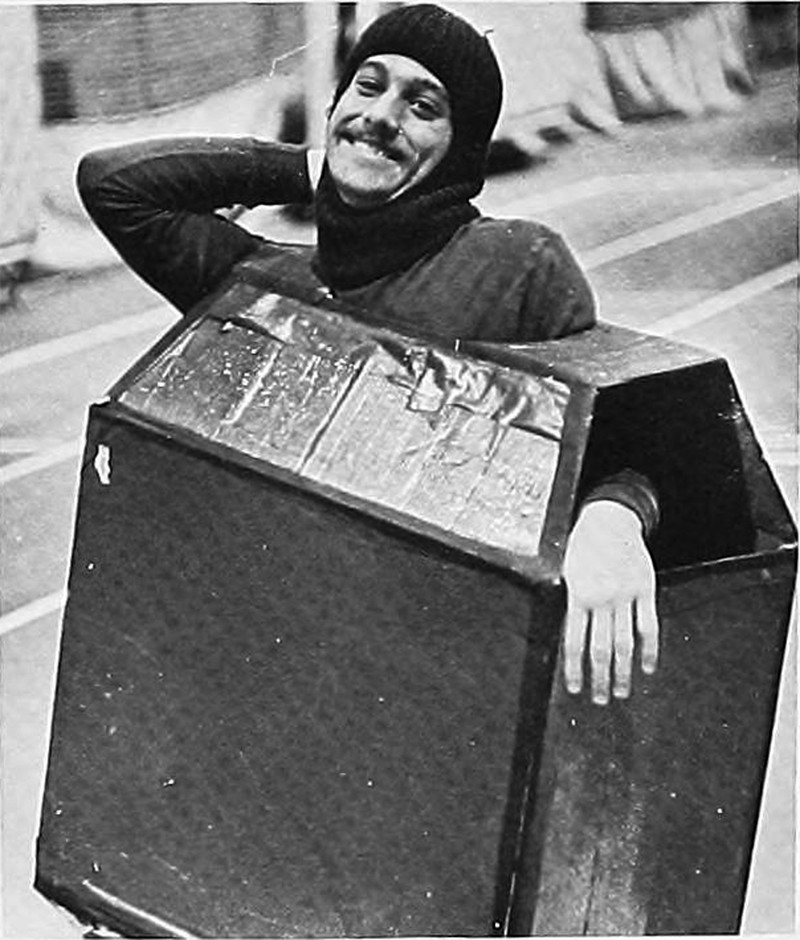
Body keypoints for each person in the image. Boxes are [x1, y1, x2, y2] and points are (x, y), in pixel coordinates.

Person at [76, 3, 659, 707]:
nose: (382, 115)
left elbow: (631, 442)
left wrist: (613, 518)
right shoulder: (259, 282)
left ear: (462, 150)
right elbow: (113, 183)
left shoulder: (516, 265)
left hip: (441, 672)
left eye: (422, 106)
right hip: (294, 669)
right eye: (368, 86)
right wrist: (316, 163)